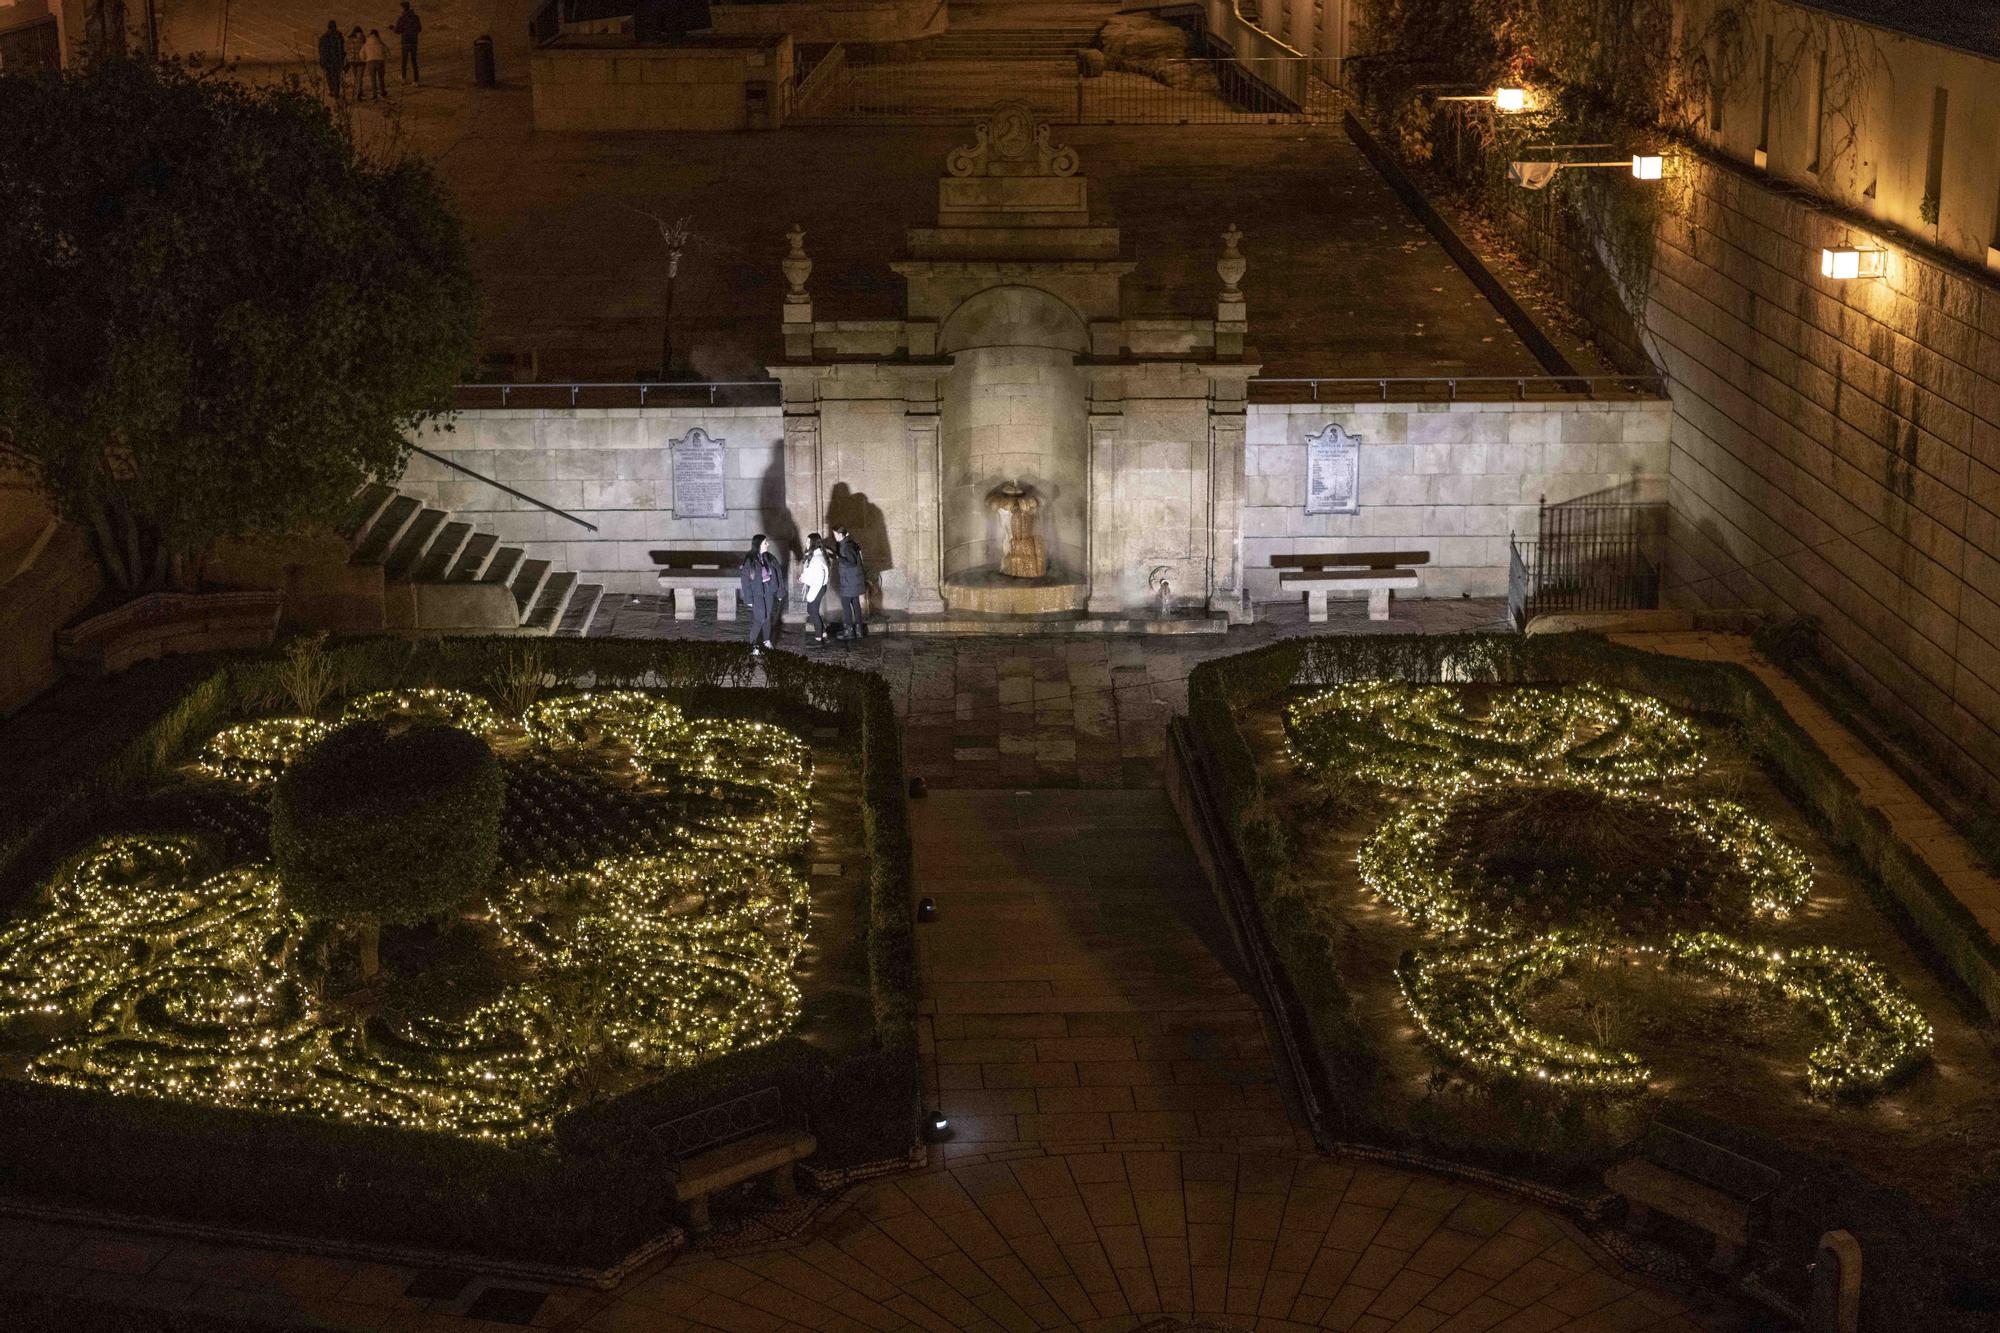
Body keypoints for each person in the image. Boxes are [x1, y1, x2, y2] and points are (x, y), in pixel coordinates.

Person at [739, 534, 782, 654]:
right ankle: (753, 645)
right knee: (760, 618)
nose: (767, 544)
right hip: (756, 592)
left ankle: (766, 640)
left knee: (767, 617)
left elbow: (778, 575)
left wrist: (780, 591)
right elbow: (745, 581)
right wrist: (748, 599)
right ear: (758, 545)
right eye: (765, 543)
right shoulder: (750, 560)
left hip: (769, 590)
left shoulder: (770, 558)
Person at [832, 524, 867, 641]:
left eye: (835, 534)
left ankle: (849, 631)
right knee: (855, 603)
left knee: (846, 604)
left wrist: (837, 558)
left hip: (849, 581)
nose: (834, 536)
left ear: (841, 534)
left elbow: (851, 562)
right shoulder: (848, 544)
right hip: (853, 580)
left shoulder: (846, 546)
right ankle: (859, 630)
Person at [799, 533, 831, 647]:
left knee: (813, 611)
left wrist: (810, 596)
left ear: (813, 543)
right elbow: (811, 573)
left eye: (808, 542)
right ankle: (823, 634)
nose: (806, 544)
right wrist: (803, 578)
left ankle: (818, 639)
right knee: (812, 611)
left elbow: (818, 579)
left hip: (817, 588)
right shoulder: (814, 555)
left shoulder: (817, 559)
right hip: (816, 587)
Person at [392, 0, 422, 86]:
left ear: (403, 8)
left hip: (405, 42)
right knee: (414, 61)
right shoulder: (416, 17)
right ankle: (416, 80)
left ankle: (404, 78)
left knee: (404, 61)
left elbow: (397, 31)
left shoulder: (401, 18)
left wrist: (392, 28)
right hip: (414, 42)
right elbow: (419, 29)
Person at [317, 20, 346, 101]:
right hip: (335, 60)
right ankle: (335, 91)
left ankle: (333, 90)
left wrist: (323, 60)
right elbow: (342, 49)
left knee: (330, 76)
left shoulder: (324, 37)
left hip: (329, 61)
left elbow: (321, 50)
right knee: (336, 76)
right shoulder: (338, 36)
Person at [363, 29, 388, 100]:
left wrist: (365, 59)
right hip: (380, 61)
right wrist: (384, 58)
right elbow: (387, 51)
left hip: (370, 62)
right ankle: (382, 92)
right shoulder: (380, 42)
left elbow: (361, 53)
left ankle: (374, 94)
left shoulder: (367, 43)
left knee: (373, 79)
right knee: (381, 78)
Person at [345, 26, 366, 101]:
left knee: (356, 77)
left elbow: (347, 50)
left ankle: (359, 91)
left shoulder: (349, 40)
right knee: (359, 78)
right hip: (361, 61)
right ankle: (358, 93)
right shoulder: (363, 39)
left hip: (352, 61)